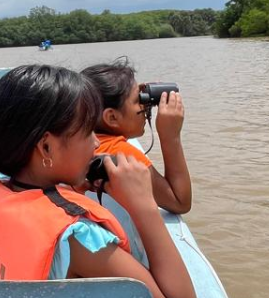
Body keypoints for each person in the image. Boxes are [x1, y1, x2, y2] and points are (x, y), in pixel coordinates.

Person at [0, 64, 201, 298]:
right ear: (46, 147)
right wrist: (143, 207)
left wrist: (68, 192)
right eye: (88, 132)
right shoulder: (77, 238)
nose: (96, 143)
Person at [81, 59, 192, 214]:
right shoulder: (120, 153)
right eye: (138, 100)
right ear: (112, 117)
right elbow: (180, 202)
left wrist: (133, 92)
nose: (145, 105)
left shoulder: (79, 141)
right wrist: (171, 136)